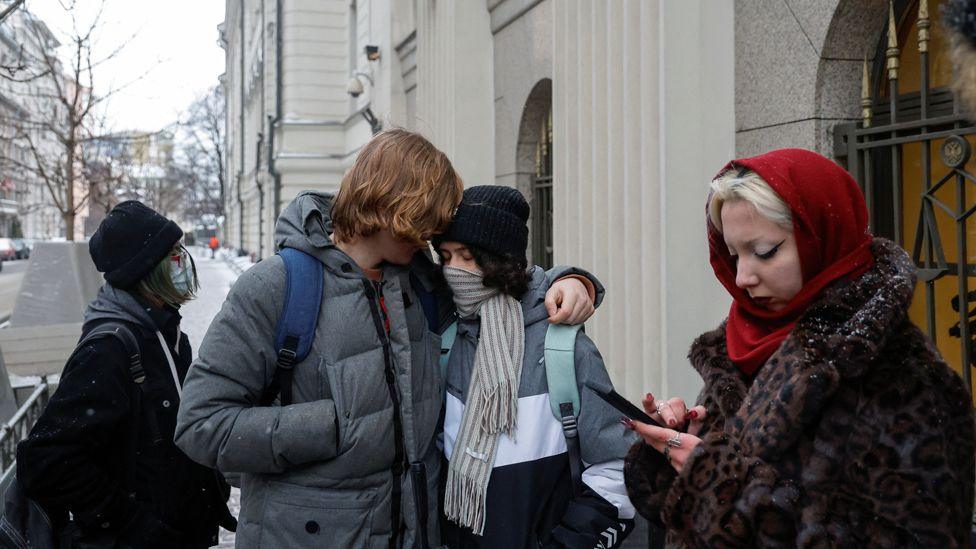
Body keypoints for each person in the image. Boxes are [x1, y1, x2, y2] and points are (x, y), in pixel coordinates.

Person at [175, 129, 599, 548]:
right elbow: (200, 425)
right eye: (428, 218)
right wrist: (329, 426)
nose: (431, 237)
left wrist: (575, 282)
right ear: (397, 206)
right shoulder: (276, 287)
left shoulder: (419, 282)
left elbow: (504, 283)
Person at [622, 148, 976, 547]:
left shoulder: (908, 379)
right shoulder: (742, 348)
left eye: (765, 252)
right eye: (734, 254)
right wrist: (679, 451)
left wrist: (720, 484)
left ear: (822, 236)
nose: (742, 277)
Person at [17, 201, 235, 549]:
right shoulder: (109, 350)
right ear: (143, 269)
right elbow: (45, 460)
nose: (182, 261)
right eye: (172, 253)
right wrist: (133, 523)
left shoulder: (164, 331)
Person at [433, 186, 635, 549]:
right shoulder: (446, 336)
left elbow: (617, 466)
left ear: (500, 259)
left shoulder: (562, 346)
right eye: (445, 256)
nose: (453, 271)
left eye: (466, 256)